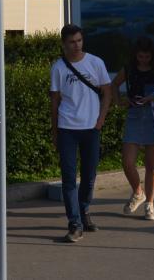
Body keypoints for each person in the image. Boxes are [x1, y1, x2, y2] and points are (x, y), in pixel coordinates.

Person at [49, 24, 112, 243]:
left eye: (79, 40)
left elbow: (107, 91)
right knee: (68, 179)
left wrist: (101, 118)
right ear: (64, 44)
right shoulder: (58, 67)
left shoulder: (96, 62)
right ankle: (74, 224)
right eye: (71, 42)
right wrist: (55, 132)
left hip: (91, 128)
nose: (76, 45)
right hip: (67, 128)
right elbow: (55, 101)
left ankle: (84, 211)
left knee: (89, 176)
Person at [110, 36, 154, 222]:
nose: (144, 60)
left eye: (147, 57)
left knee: (151, 165)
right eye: (141, 56)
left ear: (152, 55)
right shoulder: (129, 68)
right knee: (127, 162)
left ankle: (150, 204)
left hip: (153, 117)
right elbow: (114, 84)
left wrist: (152, 98)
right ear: (136, 55)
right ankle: (138, 192)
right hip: (133, 115)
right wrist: (119, 102)